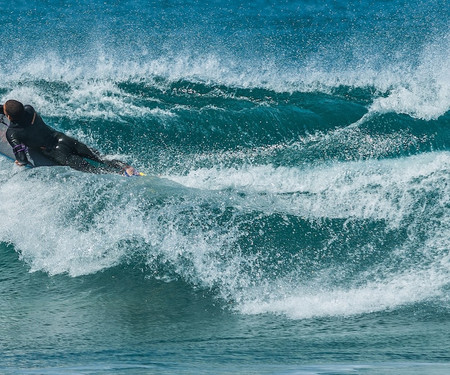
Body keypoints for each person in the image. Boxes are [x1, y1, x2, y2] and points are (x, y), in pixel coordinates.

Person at [1, 99, 136, 175]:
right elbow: (15, 110)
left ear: (8, 117)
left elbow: (22, 159)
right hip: (64, 139)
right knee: (98, 156)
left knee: (91, 169)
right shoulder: (29, 109)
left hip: (56, 152)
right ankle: (126, 167)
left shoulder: (12, 133)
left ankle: (119, 175)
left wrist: (20, 162)